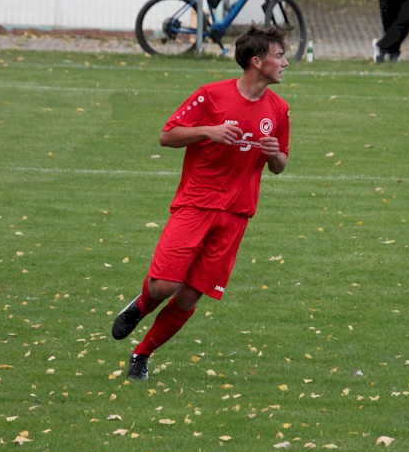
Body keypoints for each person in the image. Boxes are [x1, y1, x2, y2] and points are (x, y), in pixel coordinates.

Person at [111, 25, 291, 381]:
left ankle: (141, 354)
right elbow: (167, 135)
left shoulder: (280, 109)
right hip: (196, 204)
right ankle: (141, 305)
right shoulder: (211, 96)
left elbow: (280, 164)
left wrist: (273, 155)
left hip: (236, 214)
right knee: (165, 286)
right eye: (280, 55)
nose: (286, 62)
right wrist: (209, 131)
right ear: (257, 62)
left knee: (191, 296)